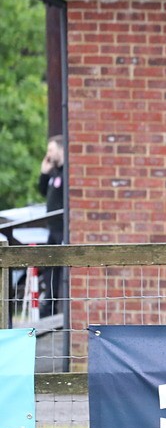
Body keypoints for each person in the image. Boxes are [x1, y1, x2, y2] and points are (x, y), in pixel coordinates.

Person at [37, 135, 66, 317]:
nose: (48, 154)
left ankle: (58, 309)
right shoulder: (53, 173)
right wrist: (43, 173)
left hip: (63, 229)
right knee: (49, 269)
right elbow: (41, 191)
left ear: (60, 150)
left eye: (51, 150)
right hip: (52, 229)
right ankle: (49, 308)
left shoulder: (66, 172)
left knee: (61, 269)